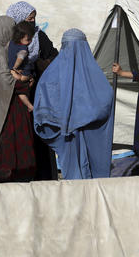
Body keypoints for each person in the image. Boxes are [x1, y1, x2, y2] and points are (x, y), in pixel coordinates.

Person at [34, 29, 113, 180]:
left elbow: (41, 109)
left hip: (69, 135)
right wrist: (83, 116)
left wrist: (67, 121)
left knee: (75, 177)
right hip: (82, 133)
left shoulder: (50, 74)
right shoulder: (94, 74)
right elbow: (105, 100)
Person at [0, 16, 37, 183]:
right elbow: (8, 80)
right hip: (10, 107)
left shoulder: (0, 50)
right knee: (11, 143)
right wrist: (24, 81)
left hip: (4, 106)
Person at [5, 1, 58, 76]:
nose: (33, 21)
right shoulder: (7, 35)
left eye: (34, 18)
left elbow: (52, 54)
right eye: (30, 18)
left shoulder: (39, 35)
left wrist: (42, 63)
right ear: (20, 19)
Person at [8, 21, 36, 112]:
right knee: (21, 91)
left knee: (21, 90)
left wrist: (13, 68)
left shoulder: (12, 43)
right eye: (28, 39)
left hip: (19, 72)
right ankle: (29, 105)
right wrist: (15, 68)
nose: (30, 42)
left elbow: (17, 57)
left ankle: (29, 105)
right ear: (20, 37)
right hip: (23, 72)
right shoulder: (23, 48)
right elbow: (20, 58)